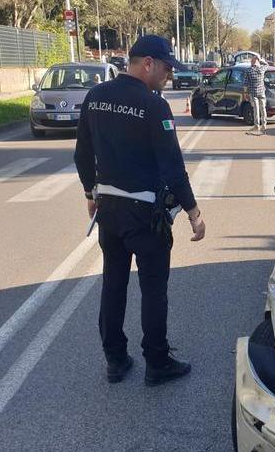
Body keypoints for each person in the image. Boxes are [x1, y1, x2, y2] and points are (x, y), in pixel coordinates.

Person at [74, 35, 206, 387]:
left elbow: (82, 155)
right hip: (146, 214)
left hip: (110, 211)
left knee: (113, 283)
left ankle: (115, 360)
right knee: (153, 289)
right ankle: (157, 362)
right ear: (146, 63)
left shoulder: (96, 97)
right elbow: (173, 168)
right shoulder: (154, 106)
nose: (167, 75)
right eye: (164, 68)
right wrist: (193, 211)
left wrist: (90, 193)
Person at [243, 55, 269, 136]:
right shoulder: (262, 69)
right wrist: (260, 59)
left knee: (256, 109)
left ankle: (257, 125)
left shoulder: (248, 71)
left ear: (251, 62)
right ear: (257, 62)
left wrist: (245, 93)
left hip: (253, 92)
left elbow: (245, 84)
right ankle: (264, 125)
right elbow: (266, 64)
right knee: (263, 108)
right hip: (262, 92)